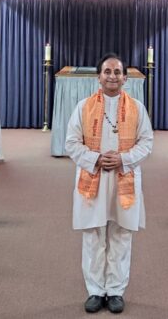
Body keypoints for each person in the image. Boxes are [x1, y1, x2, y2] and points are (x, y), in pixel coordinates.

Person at [65, 53, 153, 314]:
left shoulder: (137, 107)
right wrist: (96, 159)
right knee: (93, 236)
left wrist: (124, 159)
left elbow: (147, 142)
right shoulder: (83, 106)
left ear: (125, 78)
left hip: (123, 178)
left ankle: (115, 290)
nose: (112, 76)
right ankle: (95, 290)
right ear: (98, 77)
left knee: (120, 235)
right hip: (93, 178)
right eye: (107, 71)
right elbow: (71, 142)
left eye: (117, 72)